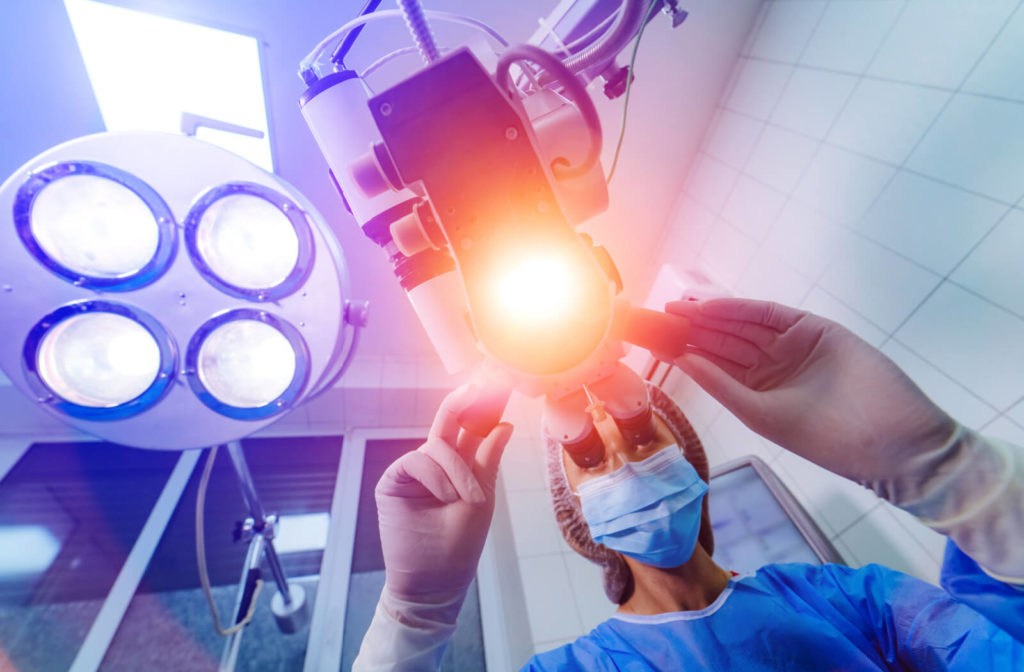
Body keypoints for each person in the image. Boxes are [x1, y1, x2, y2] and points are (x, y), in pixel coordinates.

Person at [353, 298, 1024, 670]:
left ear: (693, 463)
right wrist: (412, 620)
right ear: (576, 517)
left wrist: (944, 471)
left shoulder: (853, 601)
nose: (627, 464)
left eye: (644, 436)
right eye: (588, 456)